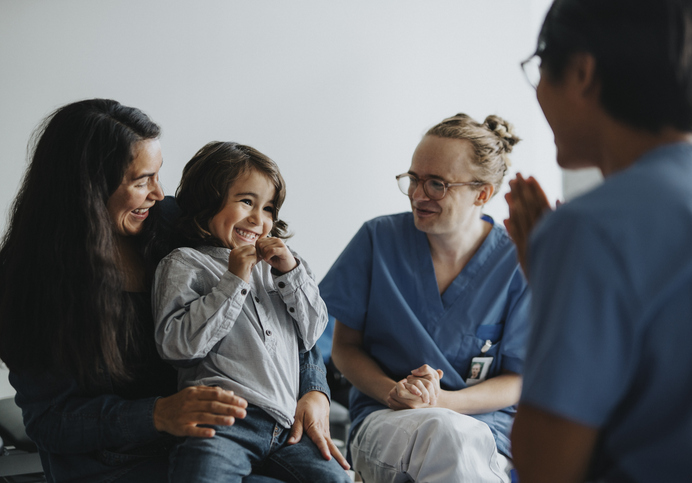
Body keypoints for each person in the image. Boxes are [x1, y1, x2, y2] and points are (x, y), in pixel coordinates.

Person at [0, 99, 344, 482]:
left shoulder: (176, 223)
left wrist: (314, 390)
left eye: (157, 175)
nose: (159, 193)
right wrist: (159, 413)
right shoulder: (26, 279)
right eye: (141, 180)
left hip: (227, 431)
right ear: (88, 186)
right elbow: (51, 421)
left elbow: (282, 307)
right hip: (115, 461)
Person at [506, 1, 692, 482]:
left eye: (541, 67)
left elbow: (547, 464)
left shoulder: (590, 230)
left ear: (583, 73)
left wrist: (552, 283)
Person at [321, 113, 531, 482]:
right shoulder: (377, 240)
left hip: (486, 431)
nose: (418, 195)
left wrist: (443, 402)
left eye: (437, 184)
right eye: (414, 179)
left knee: (454, 435)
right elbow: (344, 349)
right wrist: (393, 393)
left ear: (481, 193)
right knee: (443, 435)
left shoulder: (518, 262)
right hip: (387, 420)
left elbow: (519, 379)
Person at [153, 141, 350, 482]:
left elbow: (313, 332)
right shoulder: (184, 263)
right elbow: (177, 347)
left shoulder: (283, 269)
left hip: (287, 425)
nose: (259, 219)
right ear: (207, 202)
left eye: (269, 208)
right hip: (223, 424)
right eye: (246, 201)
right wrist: (233, 280)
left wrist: (291, 273)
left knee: (337, 479)